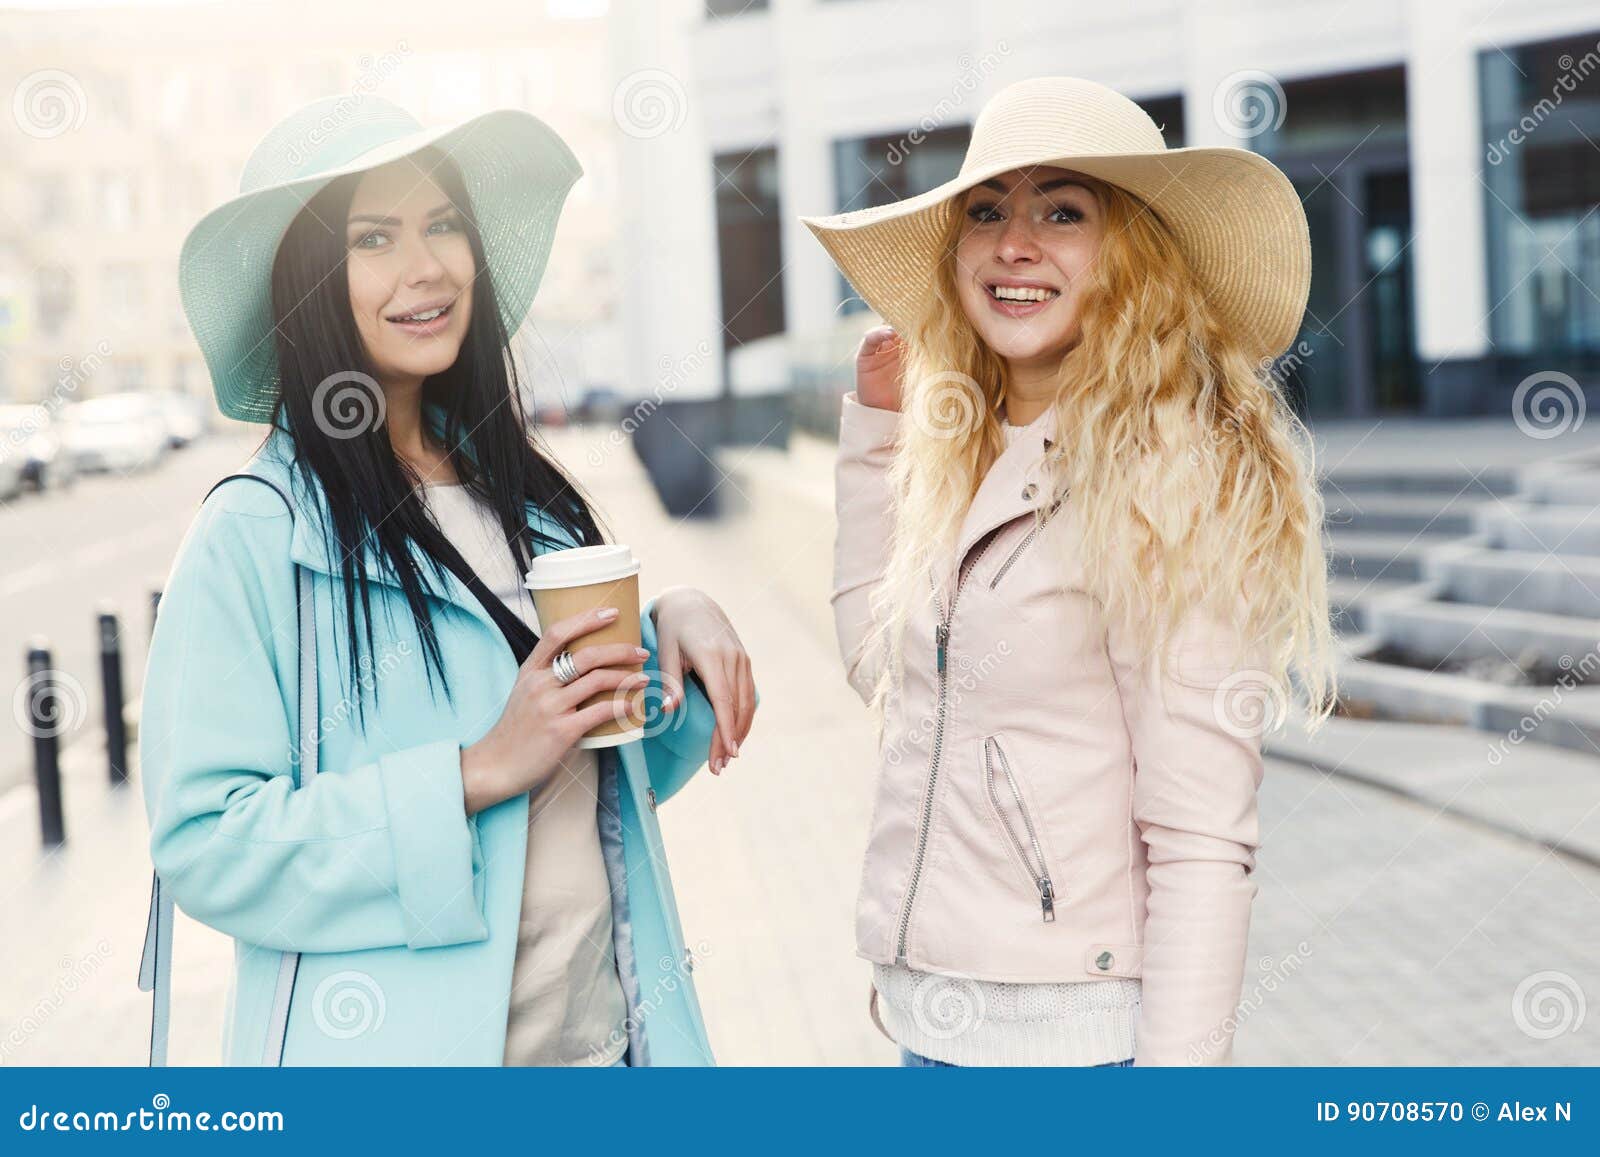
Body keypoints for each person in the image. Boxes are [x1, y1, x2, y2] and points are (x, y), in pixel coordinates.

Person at [138, 95, 755, 1067]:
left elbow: (599, 773)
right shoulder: (255, 532)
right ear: (307, 283)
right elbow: (208, 845)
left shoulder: (524, 499)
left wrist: (672, 639)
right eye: (371, 237)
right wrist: (469, 772)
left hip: (608, 1049)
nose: (424, 266)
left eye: (443, 224)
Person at [802, 75, 1336, 1066]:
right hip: (925, 1025)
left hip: (1072, 1053)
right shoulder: (968, 451)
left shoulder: (1176, 482)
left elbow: (1201, 839)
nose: (1014, 241)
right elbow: (879, 668)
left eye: (1061, 210)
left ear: (1127, 256)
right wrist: (878, 438)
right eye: (987, 210)